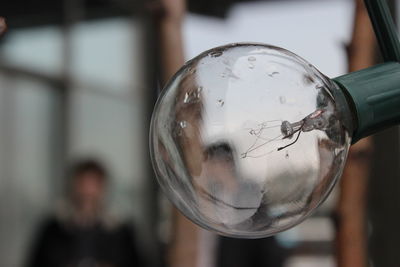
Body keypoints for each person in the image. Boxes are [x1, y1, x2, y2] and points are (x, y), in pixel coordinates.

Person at [26, 159, 144, 267]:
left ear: (103, 188)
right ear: (73, 186)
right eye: (82, 184)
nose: (87, 191)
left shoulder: (122, 232)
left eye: (93, 185)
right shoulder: (52, 230)